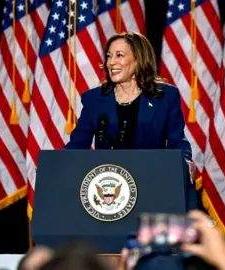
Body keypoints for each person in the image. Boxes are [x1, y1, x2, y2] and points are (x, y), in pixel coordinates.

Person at [63, 32, 197, 208]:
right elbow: (77, 146)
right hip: (109, 193)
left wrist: (185, 160)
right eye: (109, 56)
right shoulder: (94, 99)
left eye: (119, 55)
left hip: (152, 186)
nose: (111, 62)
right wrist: (56, 164)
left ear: (138, 59)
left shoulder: (165, 96)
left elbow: (177, 139)